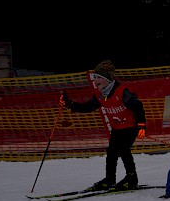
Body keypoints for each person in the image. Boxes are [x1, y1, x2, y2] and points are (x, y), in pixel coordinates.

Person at [60, 60, 146, 190]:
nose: (95, 81)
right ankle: (110, 179)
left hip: (130, 127)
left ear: (107, 78)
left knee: (123, 149)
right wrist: (70, 105)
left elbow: (138, 106)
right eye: (94, 78)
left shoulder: (122, 91)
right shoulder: (101, 95)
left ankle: (132, 178)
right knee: (111, 152)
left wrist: (141, 125)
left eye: (98, 78)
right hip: (117, 128)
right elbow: (89, 107)